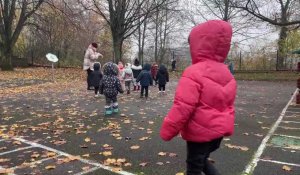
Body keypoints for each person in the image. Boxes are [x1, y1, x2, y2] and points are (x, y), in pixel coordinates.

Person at [160, 20, 237, 175]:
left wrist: (168, 130)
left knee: (194, 167)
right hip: (218, 134)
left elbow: (183, 106)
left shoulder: (193, 72)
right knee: (202, 161)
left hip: (199, 133)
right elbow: (227, 102)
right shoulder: (227, 73)